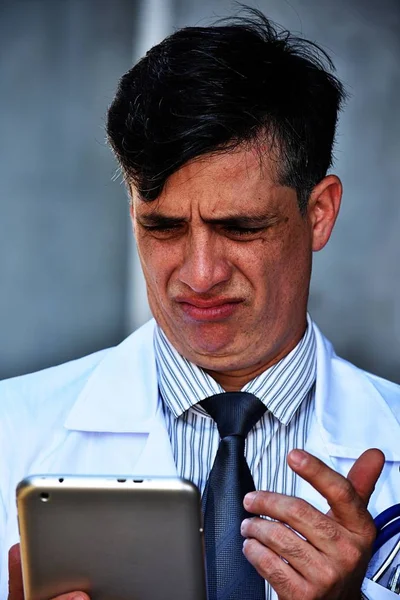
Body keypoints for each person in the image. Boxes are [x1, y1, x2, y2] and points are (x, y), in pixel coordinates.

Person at [2, 8, 400, 600]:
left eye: (240, 227)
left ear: (319, 213)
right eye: (162, 228)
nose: (200, 274)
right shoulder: (10, 431)